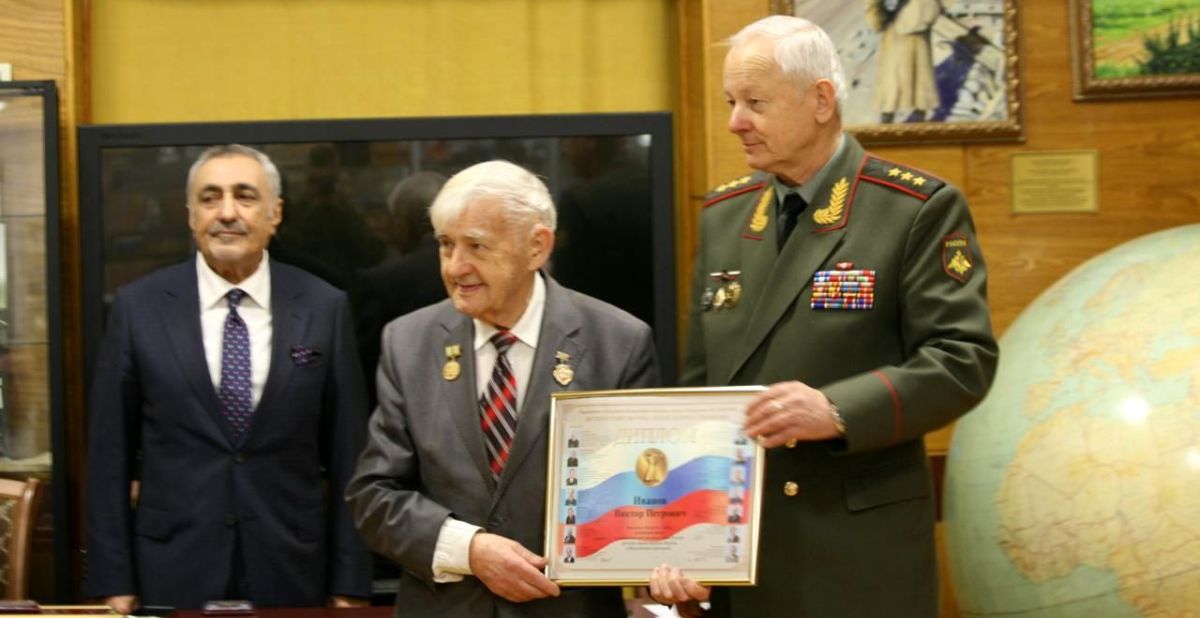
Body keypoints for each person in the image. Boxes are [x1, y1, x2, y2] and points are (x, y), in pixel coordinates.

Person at [649, 15, 997, 618]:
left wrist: (837, 410)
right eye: (731, 102)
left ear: (820, 100)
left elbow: (962, 360)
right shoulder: (725, 215)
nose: (735, 121)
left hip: (855, 556)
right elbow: (700, 393)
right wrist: (688, 540)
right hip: (743, 555)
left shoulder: (913, 209)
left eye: (755, 102)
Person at [346, 160, 659, 617]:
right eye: (446, 245)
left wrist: (669, 571)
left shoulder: (617, 342)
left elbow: (644, 495)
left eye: (476, 245)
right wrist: (468, 549)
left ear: (537, 246)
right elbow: (374, 495)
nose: (456, 267)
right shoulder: (408, 342)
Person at [84, 144, 372, 612]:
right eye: (210, 197)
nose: (227, 213)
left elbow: (350, 457)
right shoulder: (138, 308)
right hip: (172, 568)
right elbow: (107, 455)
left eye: (245, 196)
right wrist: (113, 581)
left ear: (275, 213)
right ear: (190, 215)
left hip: (291, 568)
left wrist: (350, 584)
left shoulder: (324, 305)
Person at [866, 0, 944, 123]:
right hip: (920, 33)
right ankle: (918, 115)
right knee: (920, 82)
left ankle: (888, 120)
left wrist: (875, 8)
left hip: (899, 36)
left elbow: (876, 19)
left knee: (892, 87)